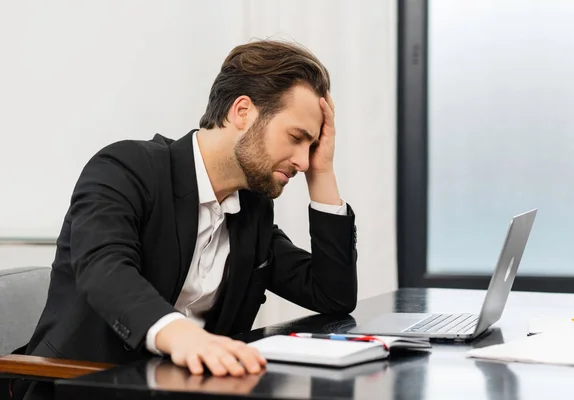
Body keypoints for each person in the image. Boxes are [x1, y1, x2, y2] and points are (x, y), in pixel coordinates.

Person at [11, 39, 358, 397]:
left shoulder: (251, 211)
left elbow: (331, 296)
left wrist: (323, 172)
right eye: (296, 138)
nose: (302, 161)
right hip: (82, 387)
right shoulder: (126, 168)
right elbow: (104, 267)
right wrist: (181, 336)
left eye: (311, 147)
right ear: (242, 112)